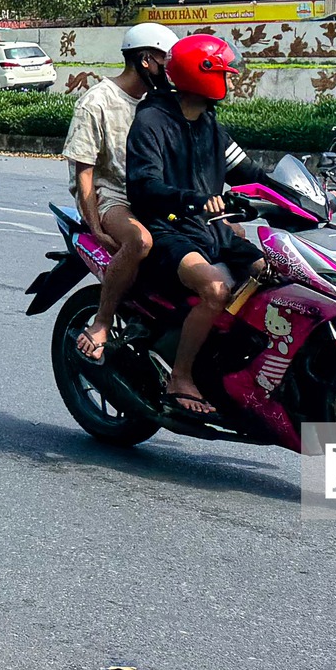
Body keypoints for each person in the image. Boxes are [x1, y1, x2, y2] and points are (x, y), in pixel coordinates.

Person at [123, 33, 268, 419]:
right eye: (225, 73)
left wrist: (313, 197)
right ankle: (180, 377)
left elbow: (250, 173)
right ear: (203, 76)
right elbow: (144, 185)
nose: (232, 79)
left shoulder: (209, 125)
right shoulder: (151, 121)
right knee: (215, 289)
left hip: (211, 229)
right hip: (168, 230)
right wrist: (194, 199)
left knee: (269, 275)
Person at [62, 22, 176, 363]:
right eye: (165, 60)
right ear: (146, 60)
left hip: (154, 194)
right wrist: (94, 224)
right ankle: (101, 320)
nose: (170, 68)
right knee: (140, 242)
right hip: (113, 196)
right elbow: (84, 170)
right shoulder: (97, 101)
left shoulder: (161, 102)